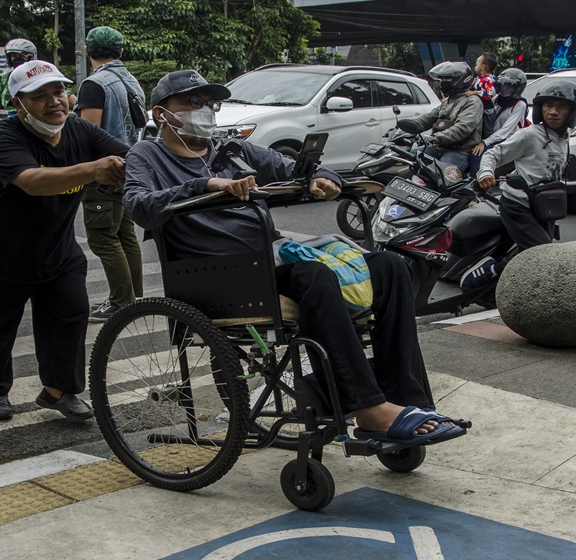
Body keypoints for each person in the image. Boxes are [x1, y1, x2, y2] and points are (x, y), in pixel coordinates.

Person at [123, 70, 464, 444]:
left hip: (270, 259)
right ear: (161, 114)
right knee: (315, 276)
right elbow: (138, 206)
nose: (203, 110)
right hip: (217, 271)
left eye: (209, 102)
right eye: (192, 102)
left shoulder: (230, 149)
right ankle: (367, 408)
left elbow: (295, 169)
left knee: (390, 266)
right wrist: (205, 185)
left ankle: (405, 399)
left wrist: (322, 177)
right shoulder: (147, 155)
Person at [0, 60, 129, 422]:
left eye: (58, 92)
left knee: (69, 318)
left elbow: (132, 155)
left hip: (56, 251)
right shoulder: (3, 138)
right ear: (18, 103)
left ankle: (58, 391)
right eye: (40, 96)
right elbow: (33, 181)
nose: (55, 102)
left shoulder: (81, 131)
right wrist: (93, 169)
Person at [462, 81, 576, 290]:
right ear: (540, 108)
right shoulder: (530, 135)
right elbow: (494, 153)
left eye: (561, 107)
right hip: (518, 205)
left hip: (545, 207)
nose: (553, 112)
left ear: (572, 112)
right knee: (543, 253)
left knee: (529, 253)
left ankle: (513, 291)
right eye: (548, 106)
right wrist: (485, 173)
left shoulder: (564, 138)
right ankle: (491, 271)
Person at [76, 26, 147, 322]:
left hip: (104, 170)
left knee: (104, 237)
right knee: (124, 232)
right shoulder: (132, 81)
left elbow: (87, 132)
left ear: (87, 51)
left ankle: (120, 301)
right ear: (120, 52)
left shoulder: (95, 84)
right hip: (130, 165)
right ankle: (134, 297)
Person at [397, 61, 482, 175]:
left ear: (460, 80)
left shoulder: (472, 101)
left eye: (447, 79)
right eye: (442, 79)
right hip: (437, 147)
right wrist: (403, 130)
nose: (443, 83)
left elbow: (463, 128)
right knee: (403, 159)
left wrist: (435, 137)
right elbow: (428, 118)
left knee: (439, 176)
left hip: (458, 152)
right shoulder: (448, 100)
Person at [469, 68, 530, 173]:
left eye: (509, 86)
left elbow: (505, 132)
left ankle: (477, 183)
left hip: (508, 141)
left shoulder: (520, 105)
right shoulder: (497, 99)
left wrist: (484, 142)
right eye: (503, 84)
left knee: (476, 155)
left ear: (517, 88)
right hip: (493, 137)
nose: (505, 88)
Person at [0, 38, 36, 143]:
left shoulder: (38, 77)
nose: (17, 59)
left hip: (34, 124)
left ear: (30, 58)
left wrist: (76, 105)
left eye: (21, 56)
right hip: (12, 126)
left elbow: (64, 93)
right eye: (14, 56)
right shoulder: (3, 79)